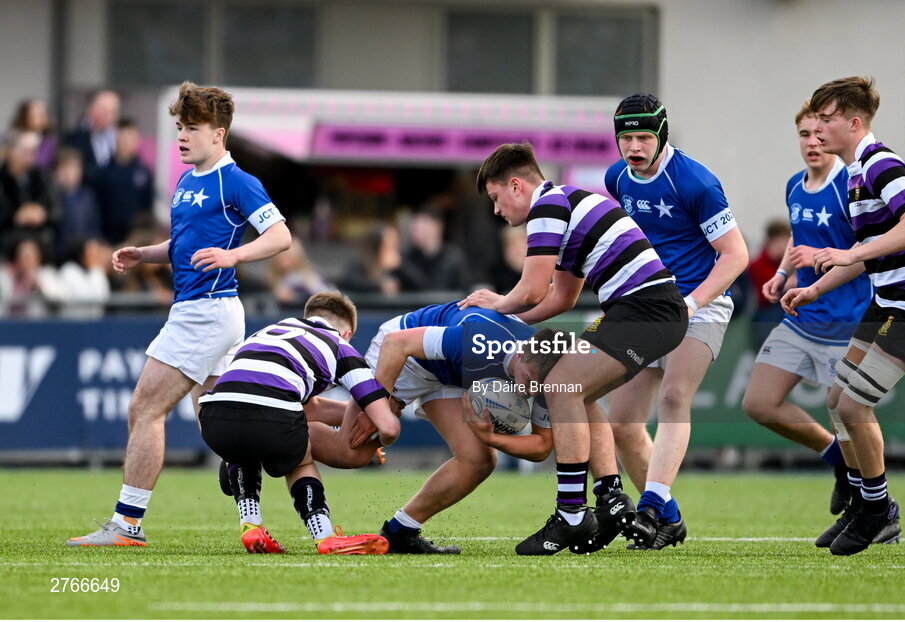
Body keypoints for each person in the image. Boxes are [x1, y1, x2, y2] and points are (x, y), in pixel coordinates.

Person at [66, 81, 292, 547]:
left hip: (206, 313)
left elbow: (280, 237)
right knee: (218, 425)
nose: (183, 136)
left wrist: (235, 256)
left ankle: (127, 525)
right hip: (204, 310)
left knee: (144, 408)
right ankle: (257, 514)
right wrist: (145, 254)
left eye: (193, 128)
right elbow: (185, 246)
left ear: (219, 134)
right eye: (179, 127)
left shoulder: (238, 181)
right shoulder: (188, 181)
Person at [462, 142, 686, 555]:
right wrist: (509, 322)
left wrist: (495, 306)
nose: (496, 211)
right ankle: (609, 498)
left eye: (496, 198)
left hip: (645, 311)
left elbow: (530, 289)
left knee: (562, 384)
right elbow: (560, 298)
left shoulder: (547, 207)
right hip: (637, 312)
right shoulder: (565, 203)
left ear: (516, 185)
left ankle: (570, 515)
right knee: (576, 392)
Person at [782, 76, 905, 555]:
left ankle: (879, 512)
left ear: (854, 123)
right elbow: (860, 252)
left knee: (855, 406)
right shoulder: (856, 172)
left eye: (828, 119)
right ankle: (863, 502)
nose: (818, 128)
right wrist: (814, 287)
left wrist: (846, 252)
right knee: (837, 399)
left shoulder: (882, 164)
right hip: (888, 303)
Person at [601, 93, 748, 550]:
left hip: (700, 304)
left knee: (674, 396)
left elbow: (735, 255)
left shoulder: (697, 183)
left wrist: (692, 303)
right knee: (622, 422)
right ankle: (667, 516)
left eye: (644, 136)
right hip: (645, 307)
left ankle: (649, 505)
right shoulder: (616, 178)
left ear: (661, 135)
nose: (634, 146)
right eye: (626, 137)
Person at [319, 301, 557, 555]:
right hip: (408, 357)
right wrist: (376, 404)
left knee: (479, 459)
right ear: (520, 355)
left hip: (452, 376)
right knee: (350, 453)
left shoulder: (553, 373)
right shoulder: (479, 338)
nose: (530, 392)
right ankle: (291, 429)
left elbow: (542, 447)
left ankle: (400, 532)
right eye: (529, 381)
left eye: (538, 387)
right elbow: (397, 343)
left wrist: (491, 439)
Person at [741, 101, 873, 517]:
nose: (813, 143)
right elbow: (799, 242)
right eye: (804, 134)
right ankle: (835, 457)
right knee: (758, 403)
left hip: (847, 321)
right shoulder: (795, 186)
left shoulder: (849, 184)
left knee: (848, 415)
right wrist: (782, 275)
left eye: (820, 134)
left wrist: (825, 259)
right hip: (802, 316)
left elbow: (867, 251)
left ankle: (871, 501)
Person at [199, 291, 395, 555]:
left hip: (213, 418)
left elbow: (310, 407)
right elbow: (388, 426)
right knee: (301, 455)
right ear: (347, 333)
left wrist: (353, 421)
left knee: (248, 443)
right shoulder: (341, 346)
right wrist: (377, 439)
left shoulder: (268, 331)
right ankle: (324, 536)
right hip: (271, 415)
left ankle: (251, 525)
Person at [95, 118, 155, 246]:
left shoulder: (144, 173)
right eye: (122, 137)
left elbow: (147, 208)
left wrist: (143, 236)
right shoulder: (104, 173)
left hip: (137, 239)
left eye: (130, 138)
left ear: (137, 141)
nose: (126, 142)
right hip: (109, 239)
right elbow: (98, 208)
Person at [0, 130, 59, 255]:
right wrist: (16, 216)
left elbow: (56, 210)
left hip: (40, 244)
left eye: (32, 153)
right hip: (7, 246)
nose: (29, 159)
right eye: (25, 152)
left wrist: (43, 214)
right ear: (11, 152)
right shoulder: (3, 180)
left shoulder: (41, 177)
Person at [62, 90, 120, 190]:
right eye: (105, 111)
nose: (109, 117)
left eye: (113, 112)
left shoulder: (119, 137)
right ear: (91, 110)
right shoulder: (74, 138)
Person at [747, 220, 791, 349]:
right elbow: (772, 289)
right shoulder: (758, 264)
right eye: (783, 240)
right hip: (767, 312)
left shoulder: (788, 261)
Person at [7, 98, 58, 169]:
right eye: (34, 115)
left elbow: (44, 164)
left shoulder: (49, 141)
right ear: (25, 116)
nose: (40, 119)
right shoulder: (11, 137)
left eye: (42, 115)